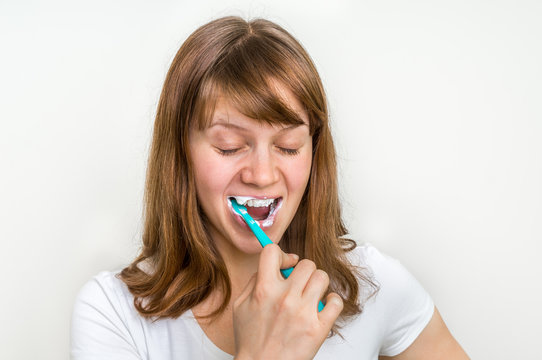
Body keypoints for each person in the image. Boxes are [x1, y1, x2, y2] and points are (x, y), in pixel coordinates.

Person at [70, 16, 469, 359]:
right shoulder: (112, 314)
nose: (262, 175)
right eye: (229, 146)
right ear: (181, 153)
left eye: (288, 147)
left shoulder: (375, 287)